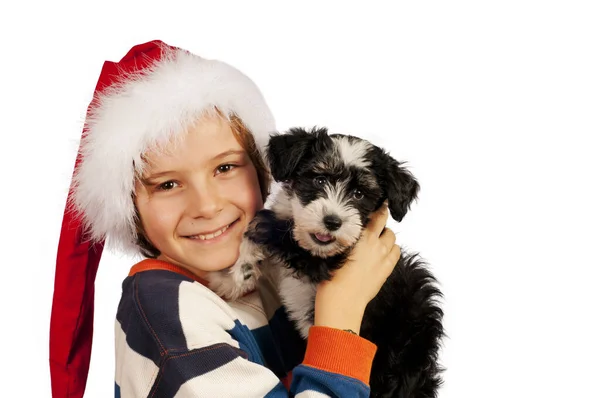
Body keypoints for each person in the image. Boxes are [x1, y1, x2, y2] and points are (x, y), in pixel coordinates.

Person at [50, 40, 401, 397]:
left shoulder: (270, 265)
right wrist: (340, 319)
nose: (206, 205)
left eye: (225, 167)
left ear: (266, 171)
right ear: (128, 206)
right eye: (168, 184)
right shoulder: (165, 311)